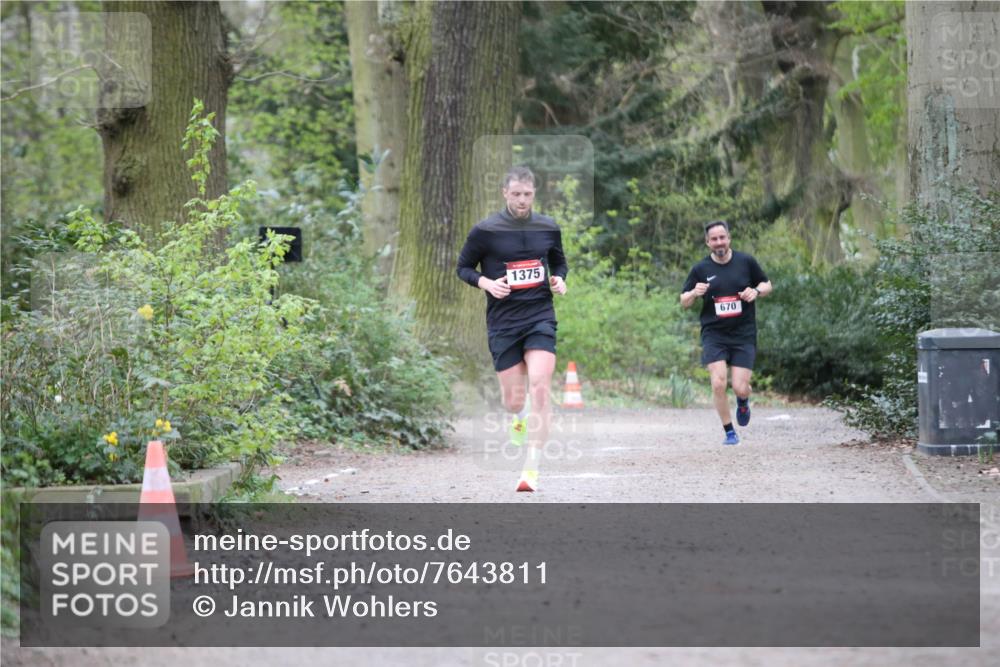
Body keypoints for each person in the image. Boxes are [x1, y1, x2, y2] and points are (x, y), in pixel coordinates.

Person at [456, 166, 568, 491]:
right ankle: (518, 419)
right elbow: (462, 268)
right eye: (516, 194)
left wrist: (560, 278)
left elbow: (559, 262)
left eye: (528, 194)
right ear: (505, 193)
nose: (522, 200)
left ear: (534, 194)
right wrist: (487, 283)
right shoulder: (485, 231)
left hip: (540, 316)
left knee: (541, 386)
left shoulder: (548, 227)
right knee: (514, 400)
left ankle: (530, 470)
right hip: (503, 322)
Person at [681, 220, 772, 445]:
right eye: (714, 239)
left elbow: (767, 284)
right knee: (718, 383)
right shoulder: (700, 269)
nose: (719, 242)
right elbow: (684, 301)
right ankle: (729, 432)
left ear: (729, 238)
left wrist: (756, 291)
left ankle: (743, 400)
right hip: (714, 334)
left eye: (722, 237)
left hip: (743, 333)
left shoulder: (746, 262)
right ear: (707, 242)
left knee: (740, 387)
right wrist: (694, 292)